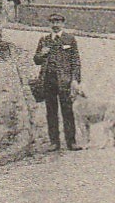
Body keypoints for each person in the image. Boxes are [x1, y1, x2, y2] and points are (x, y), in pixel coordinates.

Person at [34, 13, 82, 151]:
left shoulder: (70, 39)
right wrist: (41, 54)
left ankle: (71, 141)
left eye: (58, 22)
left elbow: (76, 61)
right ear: (49, 24)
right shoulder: (44, 40)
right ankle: (54, 142)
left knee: (67, 111)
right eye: (52, 22)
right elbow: (36, 60)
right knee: (51, 112)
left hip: (64, 81)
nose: (55, 25)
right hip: (48, 80)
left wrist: (75, 80)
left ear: (63, 24)